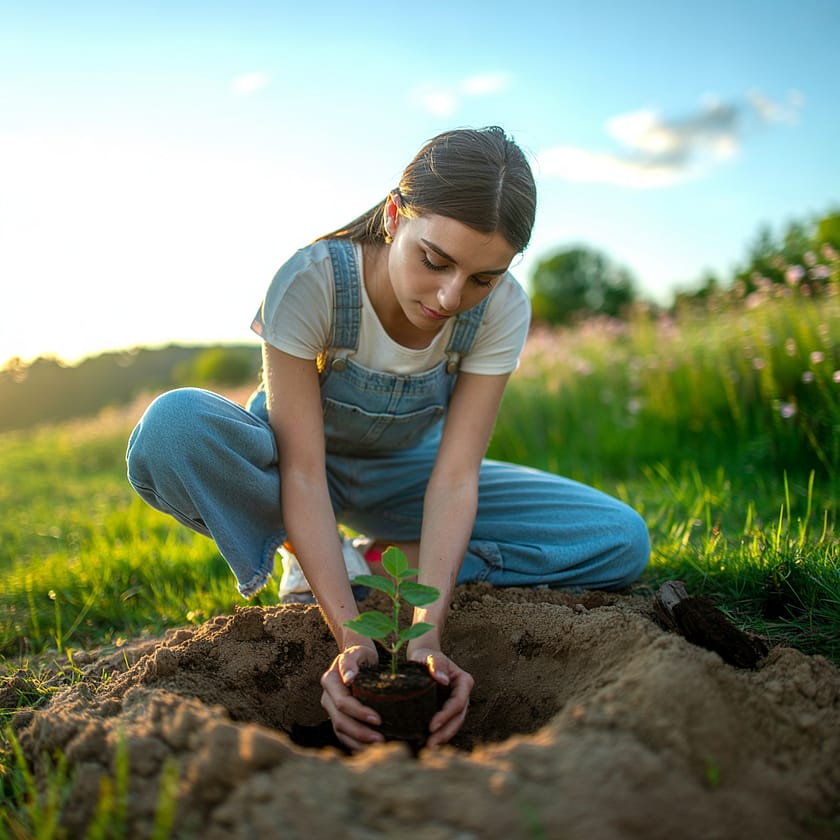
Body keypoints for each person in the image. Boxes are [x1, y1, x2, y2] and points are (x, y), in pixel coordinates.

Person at [126, 126, 650, 751]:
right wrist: (351, 636)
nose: (452, 297)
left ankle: (372, 560)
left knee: (619, 540)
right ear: (397, 213)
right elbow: (301, 472)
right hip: (288, 465)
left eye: (482, 277)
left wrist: (427, 630)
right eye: (435, 260)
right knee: (172, 429)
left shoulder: (503, 310)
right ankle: (307, 553)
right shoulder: (312, 280)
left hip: (406, 474)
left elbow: (455, 477)